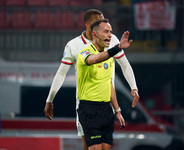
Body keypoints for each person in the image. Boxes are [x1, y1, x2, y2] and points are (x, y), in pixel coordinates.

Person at [44, 9, 139, 150]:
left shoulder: (111, 39)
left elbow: (124, 64)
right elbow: (61, 73)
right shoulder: (75, 46)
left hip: (107, 101)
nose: (102, 24)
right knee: (89, 146)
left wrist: (133, 87)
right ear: (88, 25)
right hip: (86, 103)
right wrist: (50, 99)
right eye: (97, 21)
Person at [76, 19, 133, 150]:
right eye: (106, 31)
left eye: (111, 32)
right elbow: (95, 59)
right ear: (95, 35)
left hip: (106, 109)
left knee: (105, 149)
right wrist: (117, 48)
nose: (110, 35)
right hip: (89, 108)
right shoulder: (84, 53)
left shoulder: (109, 59)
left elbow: (109, 84)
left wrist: (117, 111)